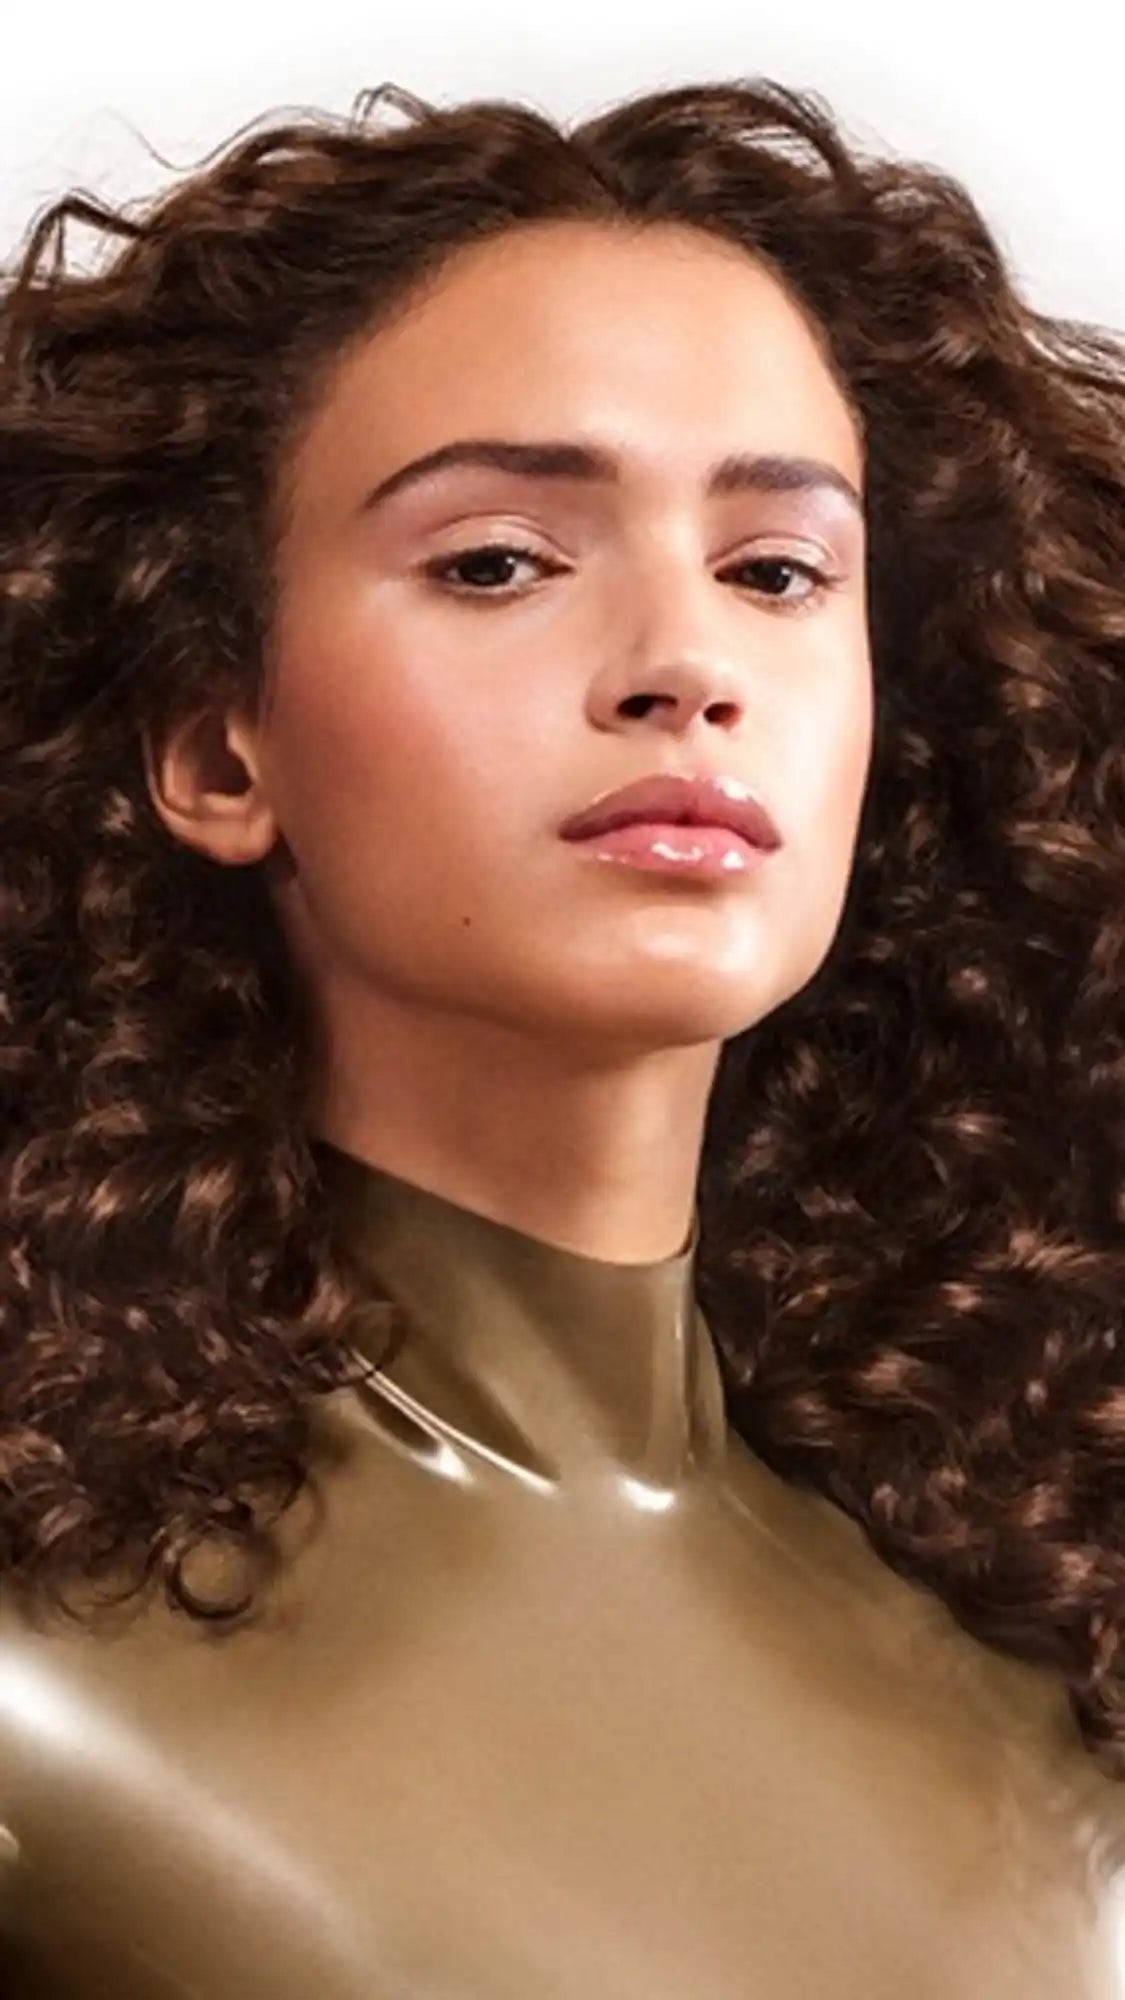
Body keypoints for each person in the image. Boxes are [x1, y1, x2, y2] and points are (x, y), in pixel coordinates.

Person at [1, 71, 1123, 1999]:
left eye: (778, 572)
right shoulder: (35, 1696)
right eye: (499, 560)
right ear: (213, 743)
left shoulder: (1031, 1660)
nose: (687, 664)